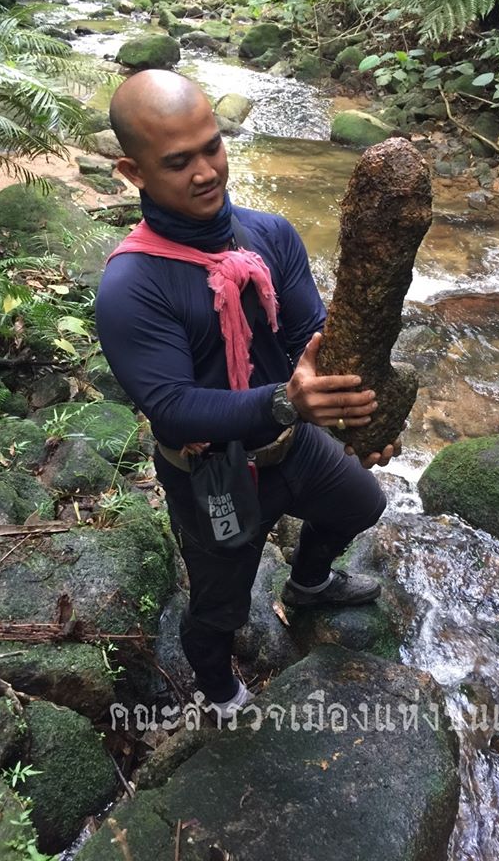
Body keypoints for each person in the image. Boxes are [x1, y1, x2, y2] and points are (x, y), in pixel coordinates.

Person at [95, 70, 399, 721]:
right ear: (132, 171)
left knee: (362, 502)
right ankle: (220, 690)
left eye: (212, 146)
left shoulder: (271, 235)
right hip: (211, 473)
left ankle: (309, 580)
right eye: (178, 162)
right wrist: (287, 402)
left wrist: (358, 420)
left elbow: (308, 339)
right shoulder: (132, 286)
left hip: (292, 444)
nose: (206, 171)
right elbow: (172, 407)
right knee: (221, 608)